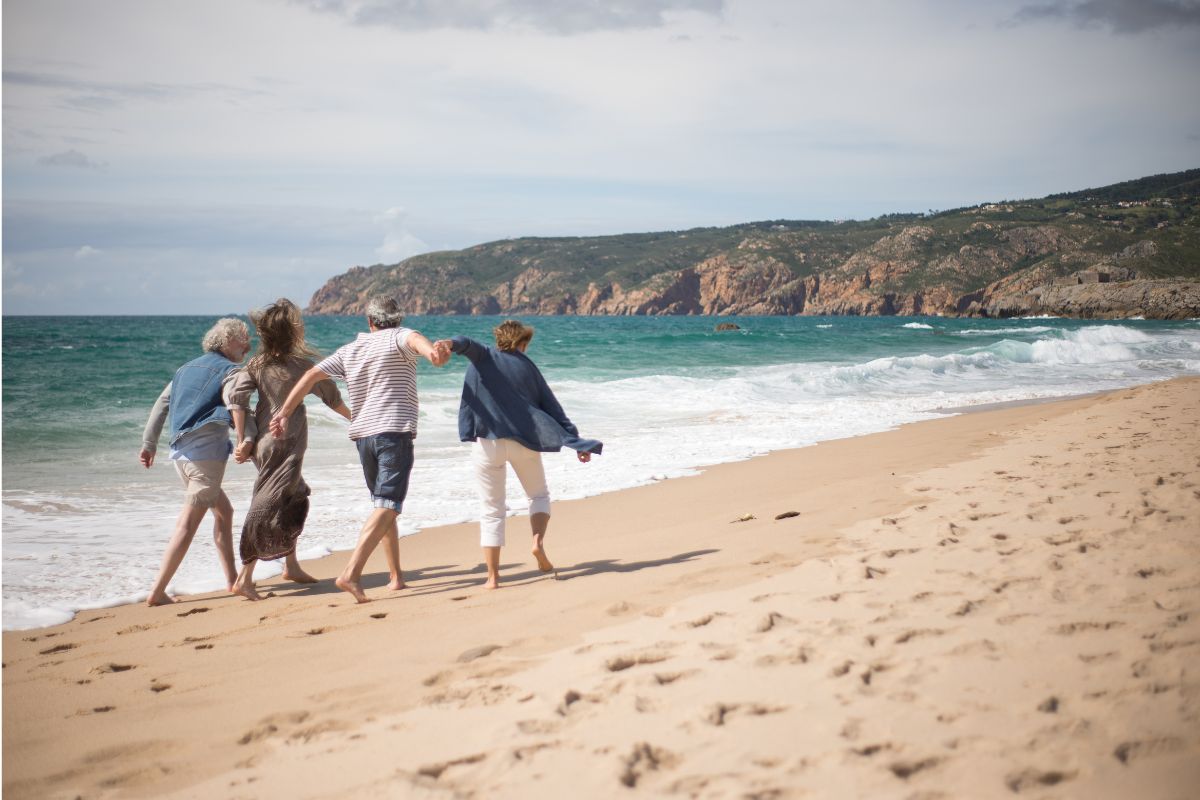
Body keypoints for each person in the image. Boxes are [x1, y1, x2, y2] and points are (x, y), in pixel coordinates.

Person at [270, 297, 447, 603]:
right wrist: (436, 354)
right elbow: (423, 347)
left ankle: (395, 577)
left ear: (369, 322)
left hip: (364, 436)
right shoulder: (402, 335)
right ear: (399, 319)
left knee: (382, 505)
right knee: (388, 504)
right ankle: (351, 573)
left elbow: (310, 376)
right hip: (393, 431)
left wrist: (284, 412)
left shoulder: (350, 350)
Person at [434, 320, 601, 590]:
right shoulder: (528, 367)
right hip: (524, 443)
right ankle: (537, 542)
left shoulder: (483, 355)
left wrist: (447, 345)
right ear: (522, 343)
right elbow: (553, 408)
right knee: (538, 496)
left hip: (488, 445)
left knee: (491, 511)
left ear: (498, 339)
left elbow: (465, 343)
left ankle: (492, 577)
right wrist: (577, 442)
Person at [224, 299, 352, 601]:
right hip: (286, 445)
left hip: (267, 446)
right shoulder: (302, 366)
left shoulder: (257, 364)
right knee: (267, 505)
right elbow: (331, 398)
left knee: (295, 497)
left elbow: (237, 399)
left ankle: (291, 565)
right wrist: (355, 417)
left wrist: (245, 438)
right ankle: (245, 577)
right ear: (290, 332)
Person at [139, 318, 252, 607]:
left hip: (181, 456)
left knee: (224, 511)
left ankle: (231, 580)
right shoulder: (230, 370)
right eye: (243, 339)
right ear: (227, 341)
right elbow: (235, 400)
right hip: (205, 457)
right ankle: (157, 592)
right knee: (186, 526)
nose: (248, 345)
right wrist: (246, 438)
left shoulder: (184, 368)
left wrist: (148, 444)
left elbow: (161, 404)